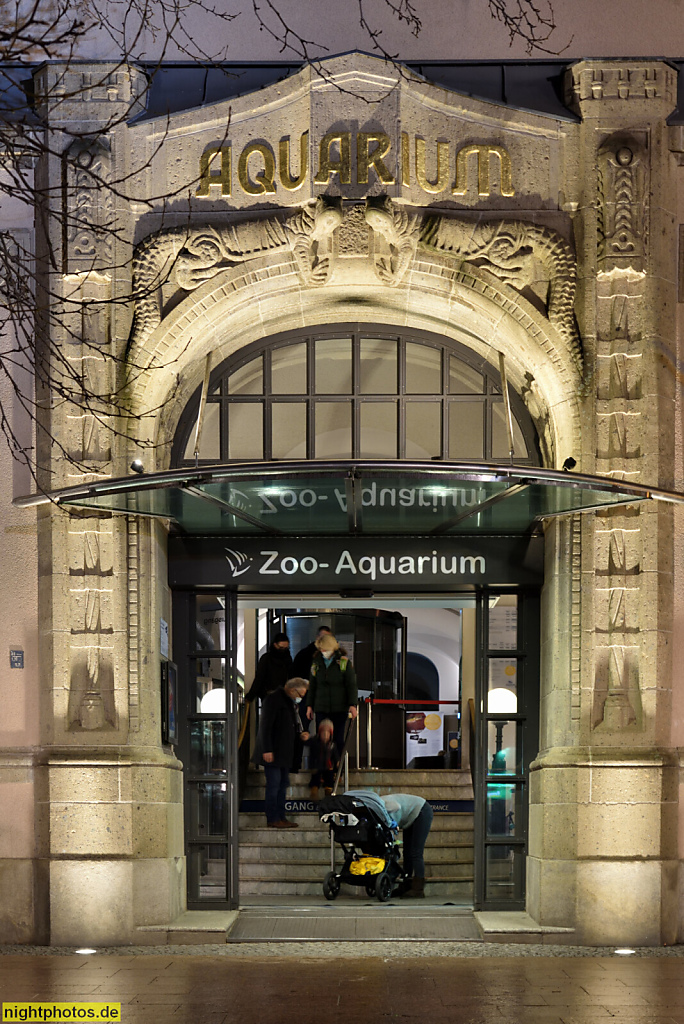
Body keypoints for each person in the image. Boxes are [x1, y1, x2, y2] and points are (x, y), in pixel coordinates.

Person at [252, 677, 310, 829]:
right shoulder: (273, 700)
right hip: (273, 752)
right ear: (292, 689)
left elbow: (288, 725)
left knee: (283, 784)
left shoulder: (288, 703)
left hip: (283, 753)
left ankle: (281, 816)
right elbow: (265, 726)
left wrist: (300, 735)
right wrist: (267, 749)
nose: (301, 698)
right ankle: (273, 817)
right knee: (274, 785)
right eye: (301, 694)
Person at [305, 632, 358, 757]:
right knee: (321, 739)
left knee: (338, 738)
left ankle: (336, 767)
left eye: (325, 648)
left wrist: (352, 704)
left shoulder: (344, 663)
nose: (323, 651)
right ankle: (321, 769)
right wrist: (309, 705)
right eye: (321, 649)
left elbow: (351, 685)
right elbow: (312, 685)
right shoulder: (316, 663)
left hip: (339, 707)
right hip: (321, 707)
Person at [381, 793, 434, 899]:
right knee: (407, 852)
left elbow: (396, 806)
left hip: (421, 810)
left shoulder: (382, 804)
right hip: (409, 817)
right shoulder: (377, 807)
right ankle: (406, 884)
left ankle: (418, 889)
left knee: (416, 852)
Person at [246, 631, 293, 703]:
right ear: (275, 645)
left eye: (286, 648)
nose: (283, 650)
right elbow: (259, 678)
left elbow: (259, 678)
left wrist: (251, 696)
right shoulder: (286, 659)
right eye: (281, 647)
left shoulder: (267, 658)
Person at [309, 717, 338, 801]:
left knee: (329, 777)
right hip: (317, 766)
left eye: (327, 733)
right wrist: (312, 766)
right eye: (323, 732)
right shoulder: (315, 743)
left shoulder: (332, 745)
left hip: (328, 767)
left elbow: (335, 757)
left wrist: (337, 767)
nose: (325, 735)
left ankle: (328, 792)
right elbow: (312, 756)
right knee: (315, 776)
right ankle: (314, 792)